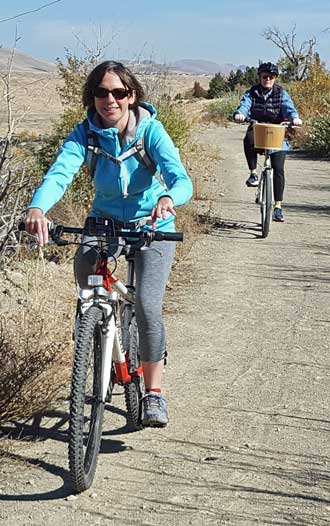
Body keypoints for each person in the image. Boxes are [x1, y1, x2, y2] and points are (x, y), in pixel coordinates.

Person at [25, 60, 193, 427]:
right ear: (93, 96)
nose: (110, 99)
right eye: (101, 92)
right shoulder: (84, 134)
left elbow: (180, 179)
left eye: (118, 92)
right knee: (86, 272)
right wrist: (38, 207)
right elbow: (61, 172)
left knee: (147, 304)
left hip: (153, 225)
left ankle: (154, 393)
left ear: (132, 96)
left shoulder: (150, 131)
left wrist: (168, 200)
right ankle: (92, 331)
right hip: (105, 222)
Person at [234, 62, 302, 222]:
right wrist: (240, 114)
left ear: (275, 78)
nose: (268, 79)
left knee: (278, 169)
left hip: (277, 131)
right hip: (258, 128)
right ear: (260, 77)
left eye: (271, 77)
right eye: (265, 76)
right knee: (248, 138)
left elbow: (289, 108)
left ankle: (278, 206)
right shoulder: (253, 92)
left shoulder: (281, 93)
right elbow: (245, 105)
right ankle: (253, 174)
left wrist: (294, 118)